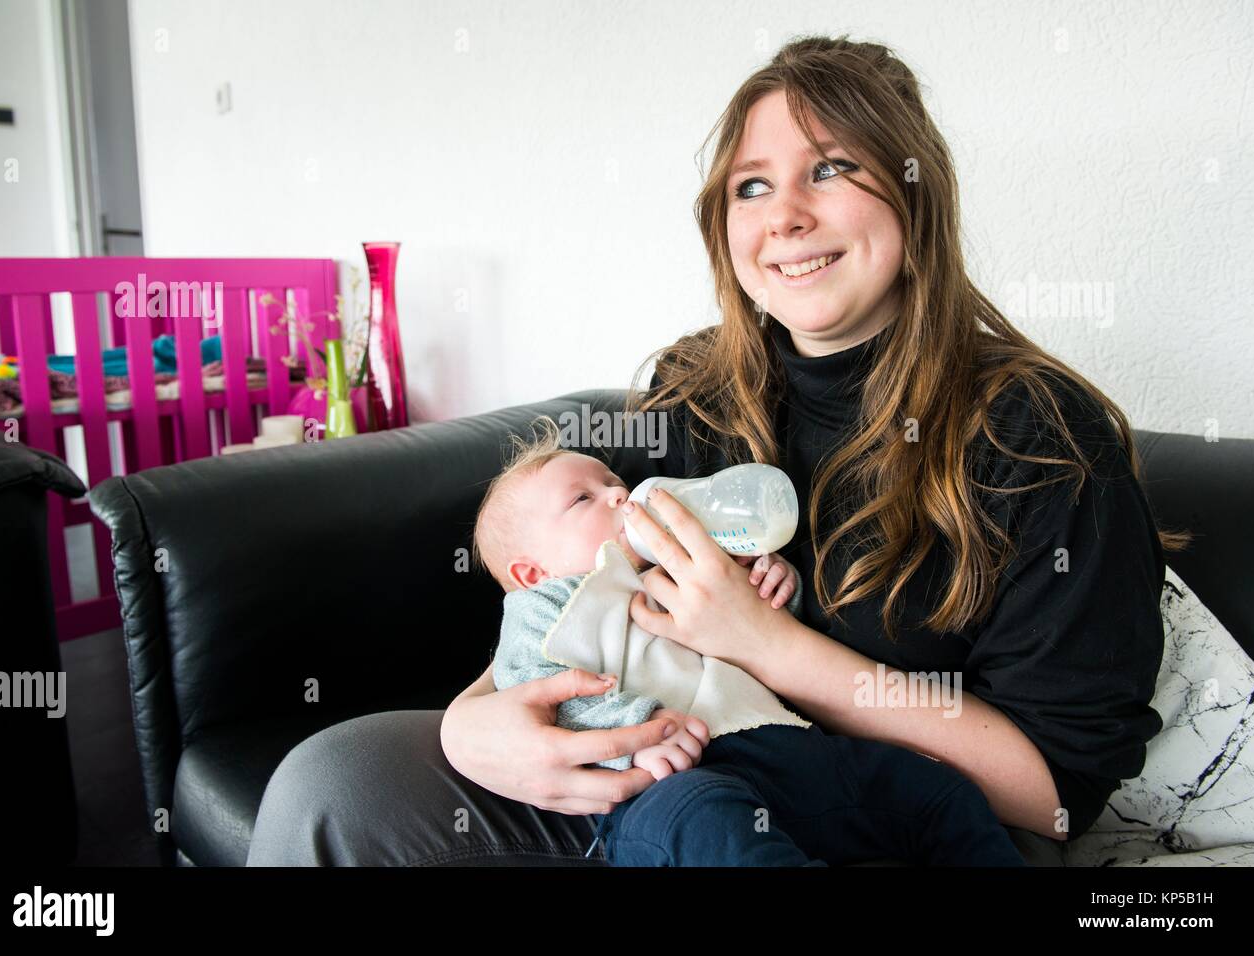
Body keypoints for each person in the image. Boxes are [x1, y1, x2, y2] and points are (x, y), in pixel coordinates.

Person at [246, 34, 1187, 867]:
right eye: (752, 186)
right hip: (667, 771)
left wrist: (766, 644)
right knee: (333, 783)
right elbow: (576, 604)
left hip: (902, 815)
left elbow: (1053, 796)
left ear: (913, 189)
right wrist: (476, 722)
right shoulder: (694, 391)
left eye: (829, 169)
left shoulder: (1040, 436)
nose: (784, 215)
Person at [471, 420, 1024, 865]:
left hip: (791, 747)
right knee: (707, 825)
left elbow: (757, 640)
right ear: (529, 573)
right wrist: (637, 736)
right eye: (583, 499)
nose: (619, 494)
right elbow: (541, 694)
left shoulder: (676, 562)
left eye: (611, 480)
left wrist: (775, 583)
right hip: (678, 778)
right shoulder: (543, 608)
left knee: (936, 791)